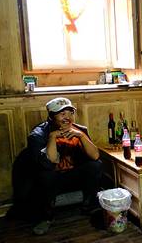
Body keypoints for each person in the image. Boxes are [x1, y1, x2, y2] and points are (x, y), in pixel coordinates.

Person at [24, 97, 102, 235]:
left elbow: (95, 156)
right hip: (50, 179)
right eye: (62, 114)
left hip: (72, 175)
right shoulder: (38, 135)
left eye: (71, 113)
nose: (68, 118)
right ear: (51, 117)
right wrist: (52, 138)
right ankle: (46, 217)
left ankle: (90, 206)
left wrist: (81, 136)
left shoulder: (79, 130)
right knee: (46, 174)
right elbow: (48, 162)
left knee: (96, 165)